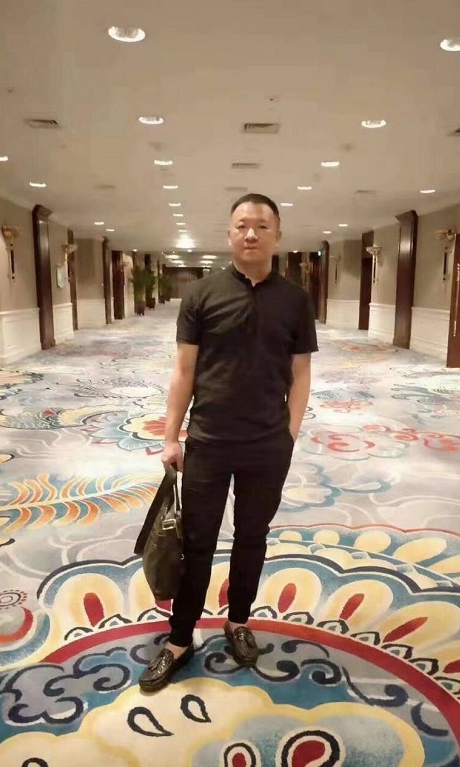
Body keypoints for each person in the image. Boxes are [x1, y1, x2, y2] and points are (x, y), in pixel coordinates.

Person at [139, 193, 318, 691]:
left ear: (277, 236)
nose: (251, 234)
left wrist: (289, 434)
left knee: (252, 537)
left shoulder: (295, 299)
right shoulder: (201, 294)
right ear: (229, 234)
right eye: (242, 225)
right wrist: (171, 436)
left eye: (261, 226)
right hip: (210, 441)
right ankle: (180, 639)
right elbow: (183, 371)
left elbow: (301, 372)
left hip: (267, 443)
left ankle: (238, 621)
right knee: (196, 543)